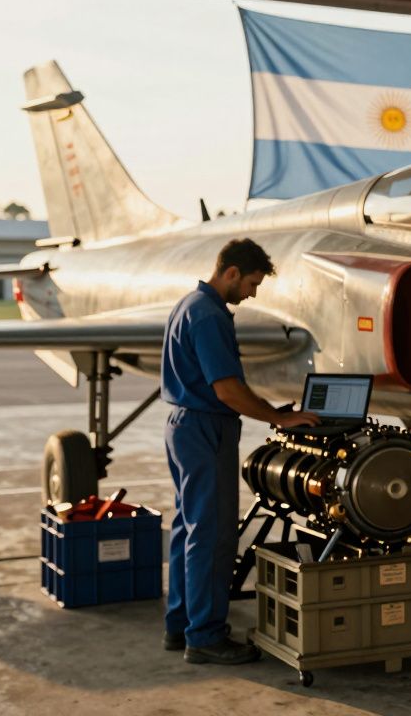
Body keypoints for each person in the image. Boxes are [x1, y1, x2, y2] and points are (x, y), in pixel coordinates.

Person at [160, 238, 320, 665]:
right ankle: (206, 637)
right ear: (230, 272)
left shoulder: (188, 304)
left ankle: (181, 625)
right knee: (212, 536)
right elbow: (227, 389)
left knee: (189, 530)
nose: (252, 293)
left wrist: (270, 411)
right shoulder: (209, 315)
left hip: (183, 425)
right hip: (205, 428)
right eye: (250, 283)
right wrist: (279, 418)